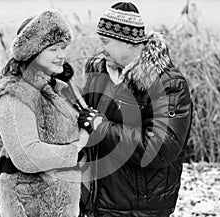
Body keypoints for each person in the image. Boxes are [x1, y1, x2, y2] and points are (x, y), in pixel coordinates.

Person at [77, 2, 193, 217]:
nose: (102, 49)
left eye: (106, 41)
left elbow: (160, 149)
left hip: (139, 209)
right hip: (96, 203)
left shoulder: (168, 84)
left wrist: (100, 127)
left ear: (128, 42)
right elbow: (84, 119)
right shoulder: (99, 72)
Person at [0, 10, 89, 217]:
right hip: (28, 207)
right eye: (53, 49)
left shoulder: (54, 89)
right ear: (31, 52)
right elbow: (27, 156)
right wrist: (78, 146)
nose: (62, 55)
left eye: (63, 48)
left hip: (60, 205)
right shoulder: (13, 98)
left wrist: (85, 120)